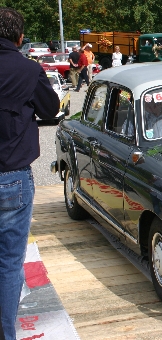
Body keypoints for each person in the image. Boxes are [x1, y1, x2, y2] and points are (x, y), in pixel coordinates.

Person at [0, 8, 59, 340]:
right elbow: (50, 109)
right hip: (11, 176)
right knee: (9, 263)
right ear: (20, 38)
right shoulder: (27, 69)